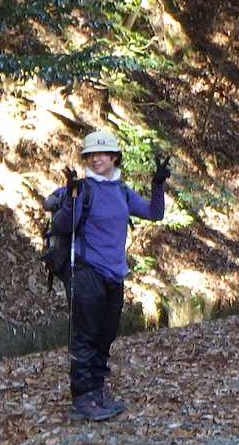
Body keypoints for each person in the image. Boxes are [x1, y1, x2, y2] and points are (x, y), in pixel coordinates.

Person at [44, 129, 169, 422]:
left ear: (114, 157)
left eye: (102, 154)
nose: (96, 159)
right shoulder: (81, 189)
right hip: (85, 269)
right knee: (85, 334)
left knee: (106, 333)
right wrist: (70, 196)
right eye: (91, 154)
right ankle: (82, 398)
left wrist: (157, 184)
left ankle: (97, 390)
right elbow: (62, 225)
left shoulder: (121, 190)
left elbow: (154, 213)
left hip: (114, 272)